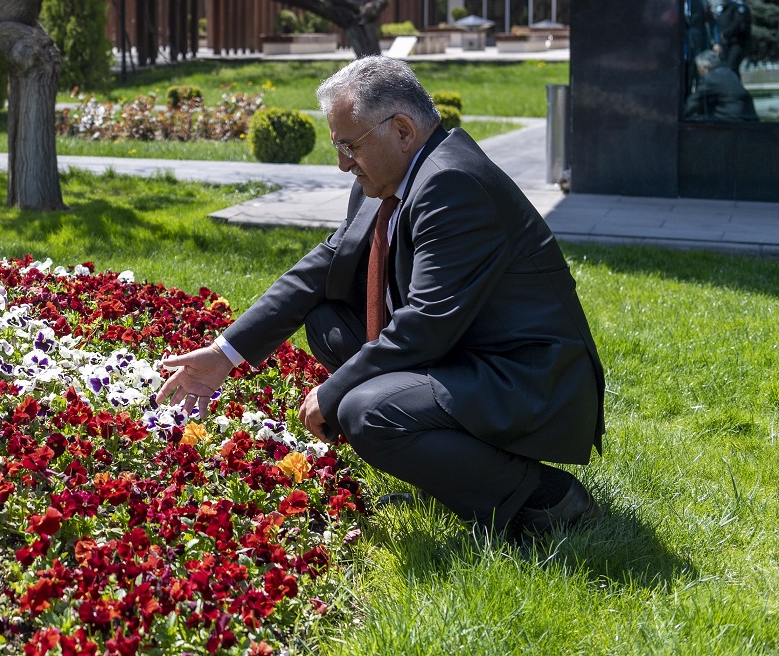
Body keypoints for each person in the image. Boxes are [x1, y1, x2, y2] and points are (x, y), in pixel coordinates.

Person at [158, 57, 605, 536]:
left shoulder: (452, 185)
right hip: (465, 353)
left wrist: (332, 393)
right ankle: (452, 472)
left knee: (364, 411)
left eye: (349, 145)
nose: (341, 162)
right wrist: (226, 354)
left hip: (527, 378)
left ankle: (546, 499)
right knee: (329, 323)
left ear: (403, 130)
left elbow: (424, 325)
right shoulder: (386, 180)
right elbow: (320, 269)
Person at [684, 49, 759, 122]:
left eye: (699, 68)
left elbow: (695, 101)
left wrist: (679, 114)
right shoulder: (729, 72)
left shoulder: (710, 78)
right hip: (748, 116)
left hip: (732, 119)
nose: (698, 72)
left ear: (706, 67)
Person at [713, 0, 752, 74]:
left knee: (732, 66)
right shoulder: (722, 10)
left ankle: (735, 87)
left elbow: (740, 24)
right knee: (729, 69)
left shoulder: (738, 7)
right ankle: (736, 87)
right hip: (726, 44)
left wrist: (725, 34)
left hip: (738, 43)